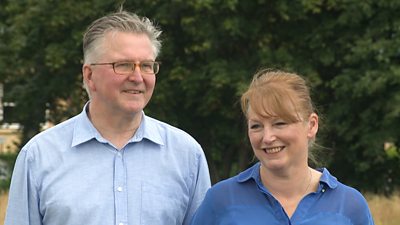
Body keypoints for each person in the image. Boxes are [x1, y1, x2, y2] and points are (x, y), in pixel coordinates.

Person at [5, 10, 211, 225]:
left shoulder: (186, 154)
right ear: (89, 75)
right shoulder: (39, 156)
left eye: (147, 66)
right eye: (123, 65)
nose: (138, 77)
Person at [190, 69, 375, 225]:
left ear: (311, 125)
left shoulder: (349, 206)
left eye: (279, 123)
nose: (268, 137)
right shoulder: (221, 202)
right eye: (256, 126)